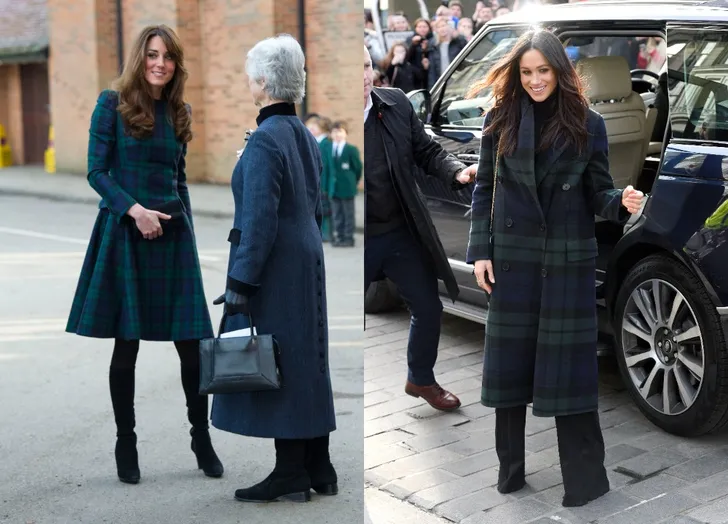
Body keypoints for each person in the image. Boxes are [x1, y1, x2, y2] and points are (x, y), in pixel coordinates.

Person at [465, 29, 644, 507]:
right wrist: (480, 252)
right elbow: (485, 190)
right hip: (513, 260)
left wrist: (621, 201)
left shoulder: (588, 124)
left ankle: (585, 483)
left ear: (559, 71)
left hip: (565, 263)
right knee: (510, 372)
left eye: (543, 70)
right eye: (526, 72)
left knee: (571, 376)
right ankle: (510, 473)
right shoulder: (499, 119)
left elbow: (598, 193)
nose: (535, 80)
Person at [65, 25, 223, 484]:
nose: (160, 63)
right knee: (126, 346)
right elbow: (96, 172)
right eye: (153, 55)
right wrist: (135, 211)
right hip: (127, 233)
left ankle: (201, 438)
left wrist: (187, 230)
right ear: (140, 58)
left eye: (168, 57)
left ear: (176, 64)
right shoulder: (111, 104)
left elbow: (179, 179)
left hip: (173, 237)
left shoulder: (179, 110)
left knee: (193, 347)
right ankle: (126, 443)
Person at [211, 34, 337, 503]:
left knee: (282, 360)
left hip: (277, 263)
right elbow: (315, 205)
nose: (248, 82)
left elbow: (259, 220)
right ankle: (319, 465)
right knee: (308, 359)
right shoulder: (301, 131)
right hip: (305, 255)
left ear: (263, 82)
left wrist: (241, 282)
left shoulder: (266, 138)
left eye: (250, 76)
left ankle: (290, 472)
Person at [363, 45, 478, 411]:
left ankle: (421, 379)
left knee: (428, 307)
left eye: (365, 66)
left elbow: (427, 151)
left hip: (399, 231)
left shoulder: (395, 103)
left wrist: (456, 171)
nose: (361, 76)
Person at [327, 121, 362, 247]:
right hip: (334, 188)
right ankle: (340, 236)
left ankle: (348, 238)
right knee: (337, 214)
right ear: (331, 134)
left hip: (347, 188)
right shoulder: (329, 149)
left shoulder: (351, 149)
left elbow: (358, 168)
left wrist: (353, 182)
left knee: (348, 214)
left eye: (340, 131)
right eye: (334, 132)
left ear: (346, 133)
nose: (337, 134)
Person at [305, 114, 333, 242]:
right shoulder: (315, 141)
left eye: (313, 128)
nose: (310, 130)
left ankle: (327, 233)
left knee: (325, 208)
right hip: (315, 180)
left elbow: (327, 165)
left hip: (323, 180)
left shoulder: (325, 143)